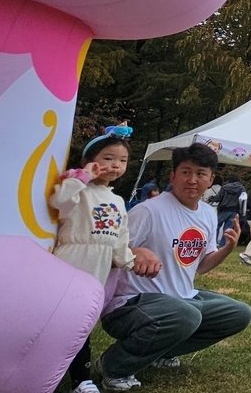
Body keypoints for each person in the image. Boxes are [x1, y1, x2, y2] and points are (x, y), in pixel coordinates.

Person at [98, 143, 250, 391]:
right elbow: (107, 251)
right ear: (173, 176)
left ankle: (159, 353)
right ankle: (113, 366)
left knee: (239, 313)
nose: (192, 180)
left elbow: (200, 267)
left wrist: (226, 250)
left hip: (182, 298)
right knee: (187, 315)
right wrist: (135, 251)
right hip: (130, 303)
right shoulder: (148, 211)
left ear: (211, 179)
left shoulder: (208, 214)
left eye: (200, 174)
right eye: (185, 172)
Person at [50, 125, 159, 393]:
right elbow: (58, 202)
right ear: (90, 160)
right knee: (59, 318)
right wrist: (83, 176)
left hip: (100, 268)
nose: (116, 165)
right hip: (73, 259)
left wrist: (129, 261)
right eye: (108, 158)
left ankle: (81, 379)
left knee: (82, 324)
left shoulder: (118, 200)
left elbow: (120, 238)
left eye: (122, 160)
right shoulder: (78, 189)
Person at [212, 176, 246, 249]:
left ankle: (213, 243)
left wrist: (211, 198)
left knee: (216, 226)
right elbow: (243, 200)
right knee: (228, 229)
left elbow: (218, 198)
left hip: (223, 210)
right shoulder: (242, 188)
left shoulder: (224, 187)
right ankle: (223, 245)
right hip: (234, 211)